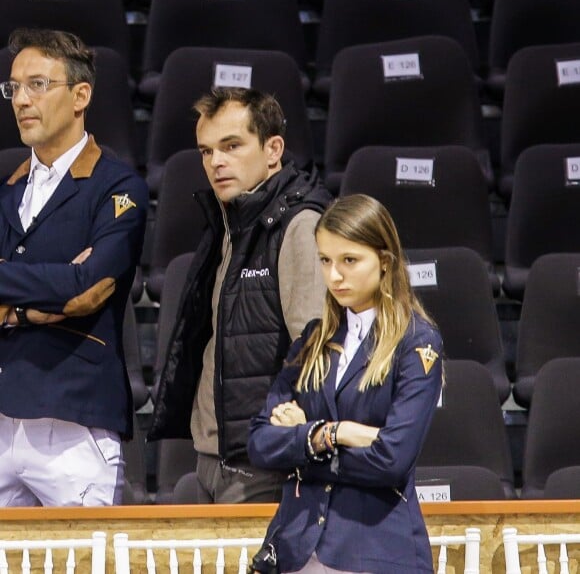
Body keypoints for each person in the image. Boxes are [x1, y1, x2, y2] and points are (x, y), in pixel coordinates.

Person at [148, 87, 332, 503]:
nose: (216, 162)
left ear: (273, 149)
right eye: (206, 151)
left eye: (231, 146)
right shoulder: (231, 222)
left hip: (268, 466)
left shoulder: (299, 226)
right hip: (216, 461)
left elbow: (318, 347)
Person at [247, 194, 444, 573]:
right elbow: (259, 442)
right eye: (325, 260)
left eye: (349, 261)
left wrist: (302, 444)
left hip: (374, 550)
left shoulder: (417, 342)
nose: (334, 275)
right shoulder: (312, 338)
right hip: (295, 547)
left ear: (384, 262)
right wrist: (334, 434)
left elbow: (392, 460)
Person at [0, 28, 148, 506]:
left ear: (81, 94)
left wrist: (13, 300)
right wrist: (45, 296)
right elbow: (66, 283)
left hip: (75, 419)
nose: (22, 99)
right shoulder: (7, 190)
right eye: (14, 87)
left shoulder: (117, 186)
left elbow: (86, 287)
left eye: (38, 85)